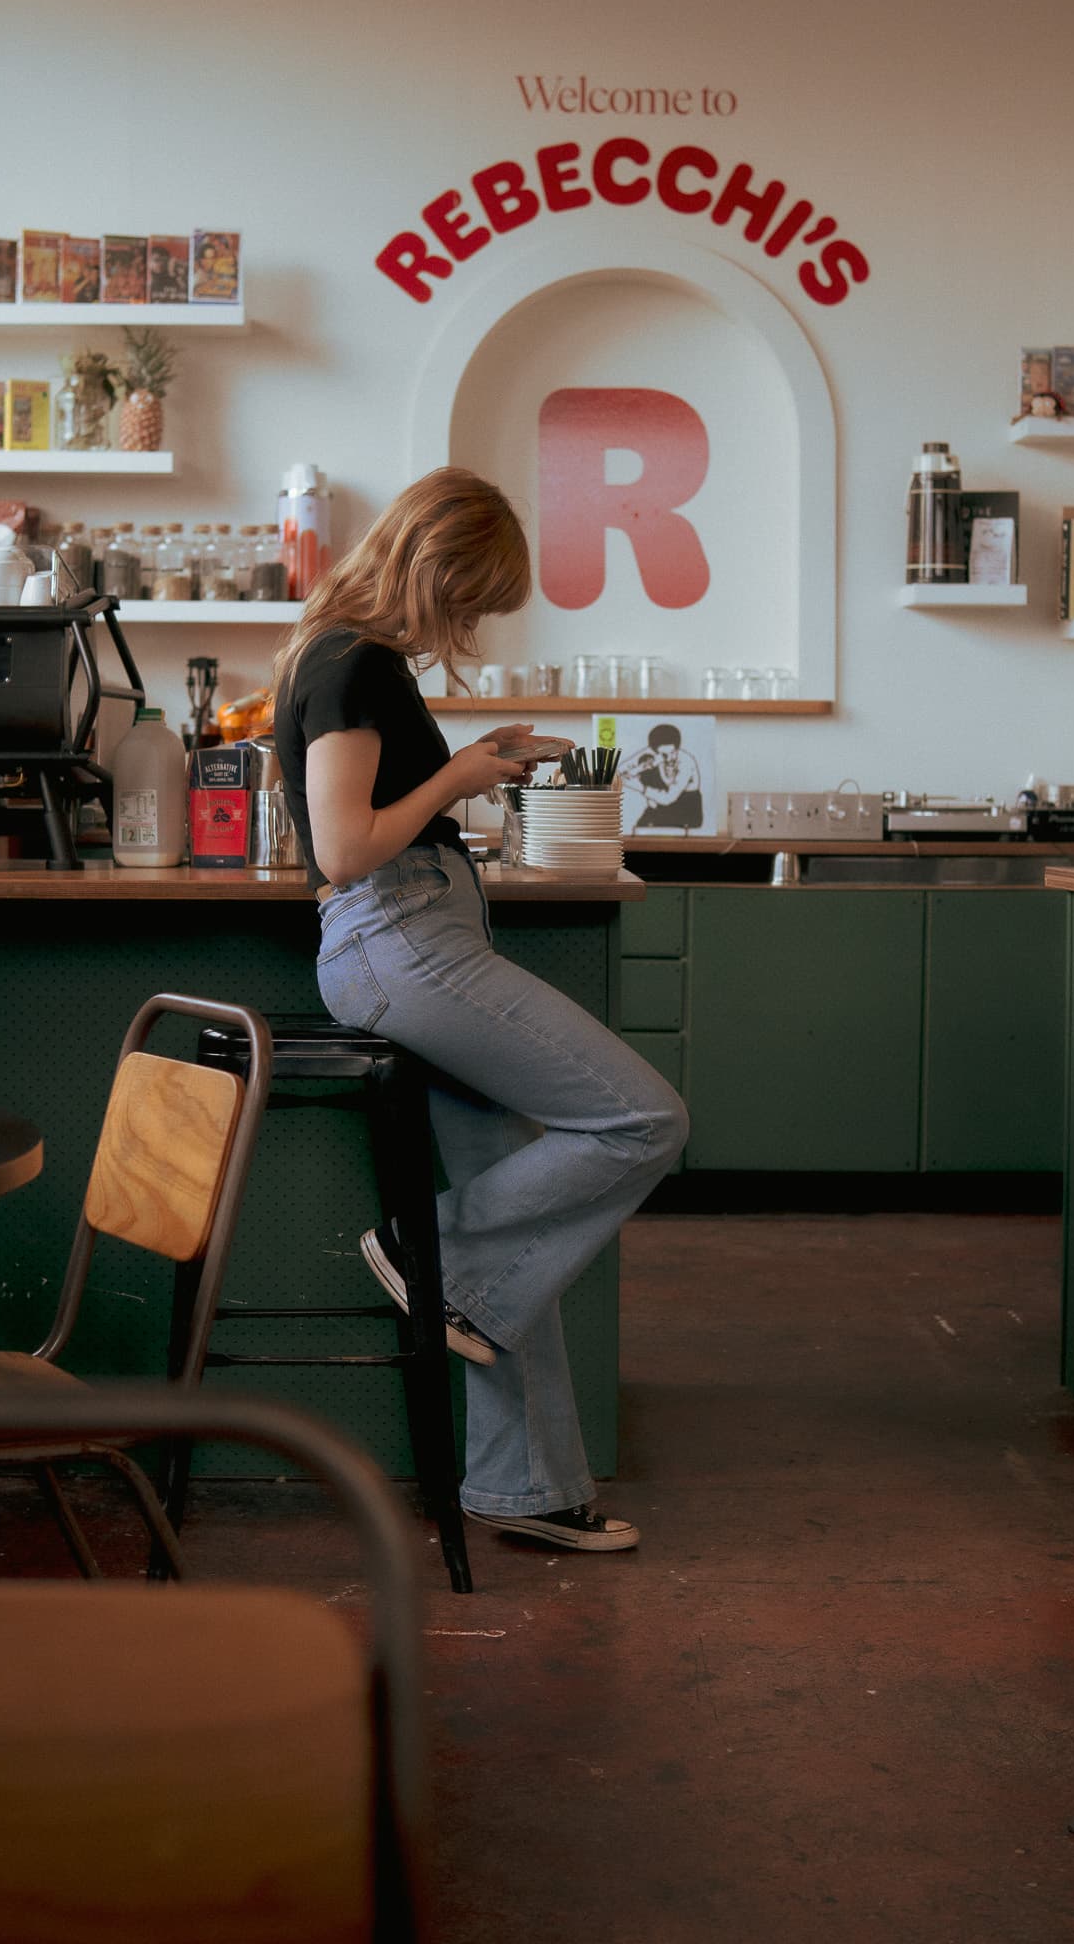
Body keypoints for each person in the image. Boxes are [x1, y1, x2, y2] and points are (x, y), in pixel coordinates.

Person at [272, 466, 688, 1553]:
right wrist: (456, 780)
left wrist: (470, 765)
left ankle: (529, 1488)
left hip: (420, 939)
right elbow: (347, 848)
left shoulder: (360, 663)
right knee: (643, 1119)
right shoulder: (351, 664)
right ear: (429, 568)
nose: (463, 623)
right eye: (465, 599)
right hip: (398, 940)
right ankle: (430, 1256)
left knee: (523, 1237)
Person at [625, 722, 704, 830]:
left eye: (673, 752)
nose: (669, 758)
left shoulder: (686, 762)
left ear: (677, 748)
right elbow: (618, 773)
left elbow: (668, 798)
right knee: (645, 759)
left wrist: (640, 787)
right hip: (660, 807)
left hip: (686, 811)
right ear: (655, 750)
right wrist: (641, 768)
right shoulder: (653, 752)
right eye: (664, 755)